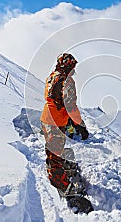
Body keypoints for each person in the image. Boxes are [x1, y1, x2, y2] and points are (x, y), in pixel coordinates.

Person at [40, 53, 89, 192]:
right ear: (67, 65)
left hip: (47, 118)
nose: (74, 70)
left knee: (54, 149)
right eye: (72, 66)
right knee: (54, 155)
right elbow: (71, 106)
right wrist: (80, 124)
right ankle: (63, 186)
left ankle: (59, 171)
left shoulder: (52, 76)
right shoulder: (67, 81)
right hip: (56, 121)